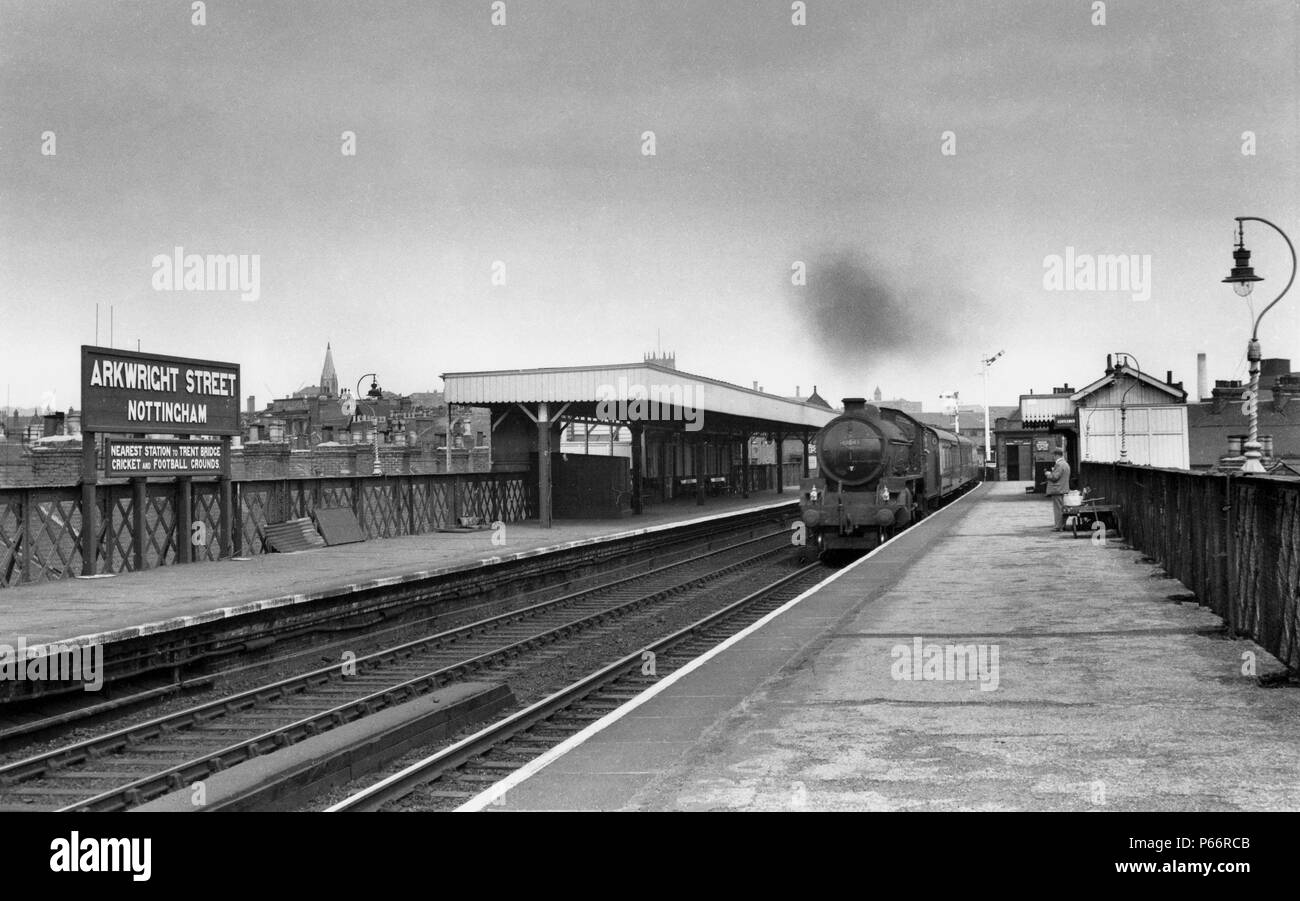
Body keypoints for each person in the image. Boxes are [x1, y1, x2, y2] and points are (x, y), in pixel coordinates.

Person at [1045, 449, 1071, 530]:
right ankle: (1062, 525)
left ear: (1056, 455)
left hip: (1057, 490)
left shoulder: (1059, 465)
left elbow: (1055, 477)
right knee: (1062, 508)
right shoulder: (1066, 464)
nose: (1053, 457)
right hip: (1063, 489)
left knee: (1058, 509)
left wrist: (1048, 474)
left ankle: (1058, 526)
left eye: (1053, 455)